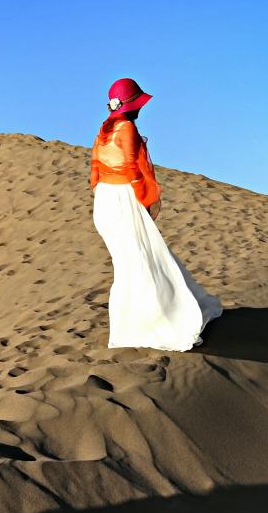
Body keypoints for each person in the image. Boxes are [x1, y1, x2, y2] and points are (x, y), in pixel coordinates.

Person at [90, 77, 223, 351]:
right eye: (138, 104)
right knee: (141, 260)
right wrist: (146, 200)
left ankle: (133, 326)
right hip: (122, 199)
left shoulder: (104, 130)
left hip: (105, 200)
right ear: (131, 106)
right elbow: (132, 169)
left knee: (128, 264)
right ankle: (158, 324)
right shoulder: (126, 128)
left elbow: (95, 172)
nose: (141, 108)